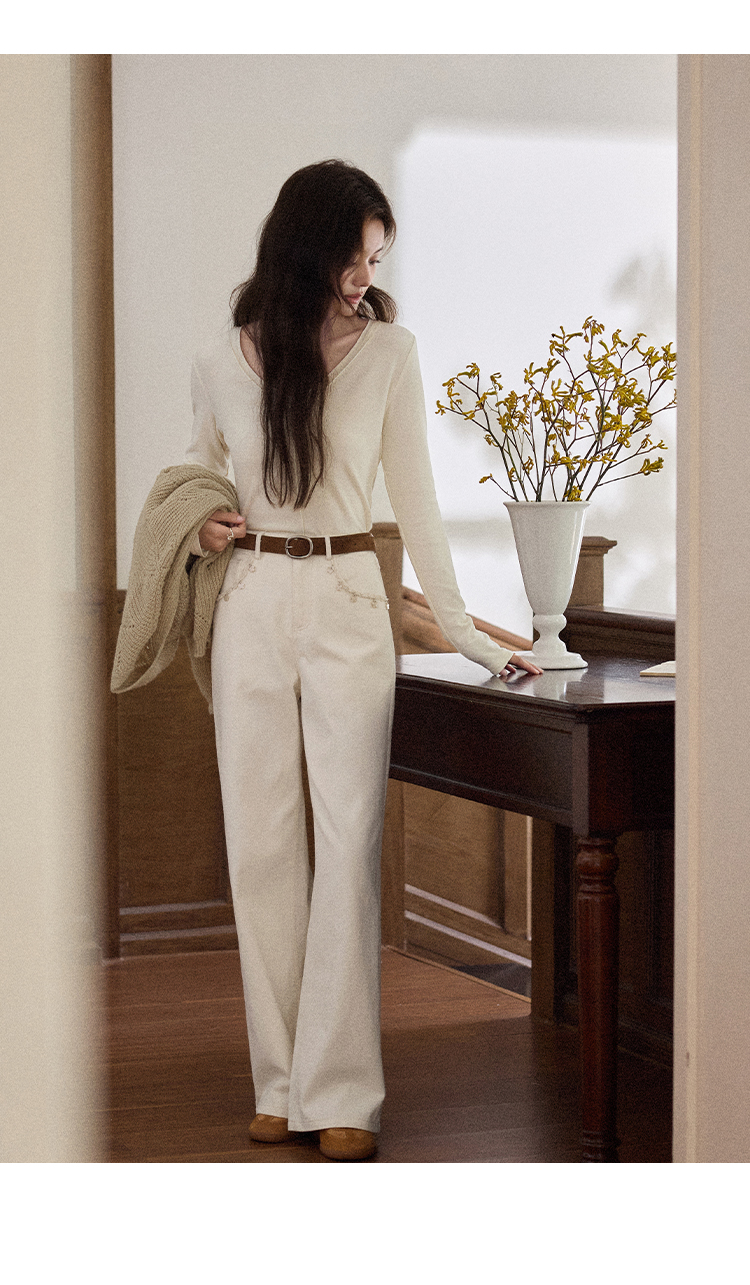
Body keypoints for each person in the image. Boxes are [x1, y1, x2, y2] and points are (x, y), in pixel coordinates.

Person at [185, 159, 542, 1162]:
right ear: (309, 246)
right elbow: (197, 476)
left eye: (377, 259)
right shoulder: (222, 357)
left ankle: (341, 1089)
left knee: (348, 845)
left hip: (348, 602)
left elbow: (417, 505)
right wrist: (204, 528)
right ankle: (279, 1081)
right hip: (250, 601)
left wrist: (470, 633)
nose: (365, 276)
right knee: (260, 846)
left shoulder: (390, 352)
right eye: (355, 255)